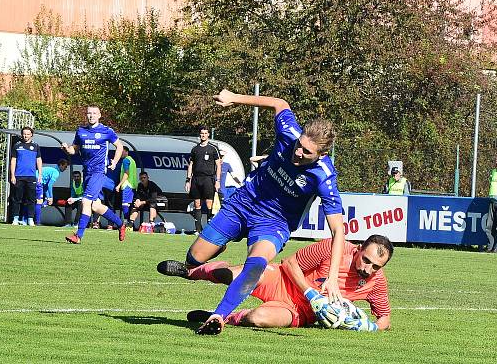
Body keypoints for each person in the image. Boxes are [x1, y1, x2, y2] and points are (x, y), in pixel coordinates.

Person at [158, 89, 347, 335]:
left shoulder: (324, 177)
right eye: (299, 145)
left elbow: (338, 230)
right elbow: (280, 102)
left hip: (274, 222)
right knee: (195, 257)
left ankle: (220, 315)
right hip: (243, 203)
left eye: (306, 152)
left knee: (256, 264)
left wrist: (332, 278)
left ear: (322, 155)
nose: (298, 152)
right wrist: (234, 98)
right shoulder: (289, 133)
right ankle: (207, 258)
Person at [168, 235, 392, 331]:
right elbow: (290, 262)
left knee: (258, 319)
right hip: (282, 280)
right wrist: (311, 294)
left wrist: (371, 327)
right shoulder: (335, 248)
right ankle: (194, 272)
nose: (367, 269)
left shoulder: (377, 281)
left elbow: (385, 318)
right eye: (366, 260)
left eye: (376, 266)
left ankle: (223, 316)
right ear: (359, 248)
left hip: (298, 312)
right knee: (237, 275)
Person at [61, 105, 127, 244]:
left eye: (94, 113)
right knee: (95, 206)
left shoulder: (106, 131)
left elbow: (119, 146)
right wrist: (68, 149)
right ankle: (121, 224)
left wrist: (114, 162)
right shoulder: (81, 131)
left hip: (99, 171)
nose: (91, 115)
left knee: (86, 201)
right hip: (87, 172)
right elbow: (75, 150)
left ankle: (78, 236)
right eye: (89, 113)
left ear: (99, 115)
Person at [185, 126, 221, 233]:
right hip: (196, 179)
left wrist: (218, 181)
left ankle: (209, 228)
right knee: (197, 203)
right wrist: (188, 180)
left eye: (205, 133)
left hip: (208, 179)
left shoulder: (213, 148)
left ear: (208, 134)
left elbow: (218, 165)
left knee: (209, 203)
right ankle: (198, 228)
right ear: (199, 135)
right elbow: (190, 164)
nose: (203, 135)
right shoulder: (195, 149)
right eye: (202, 133)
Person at [9, 126, 42, 226]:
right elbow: (13, 161)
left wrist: (40, 174)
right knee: (17, 198)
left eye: (28, 134)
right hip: (19, 176)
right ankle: (15, 218)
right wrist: (12, 175)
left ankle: (30, 219)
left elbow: (39, 160)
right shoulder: (17, 146)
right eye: (24, 134)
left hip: (31, 176)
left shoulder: (35, 146)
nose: (25, 136)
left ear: (31, 135)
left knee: (31, 199)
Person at [34, 159, 69, 226]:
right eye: (65, 166)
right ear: (61, 165)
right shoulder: (56, 172)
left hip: (36, 181)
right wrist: (51, 197)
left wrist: (48, 197)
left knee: (36, 201)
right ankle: (37, 222)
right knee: (39, 201)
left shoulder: (53, 170)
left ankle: (28, 218)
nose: (65, 168)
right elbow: (50, 185)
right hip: (38, 181)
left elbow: (46, 186)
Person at [116, 148, 138, 220]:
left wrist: (119, 185)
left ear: (126, 152)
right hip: (133, 185)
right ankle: (129, 223)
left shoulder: (125, 160)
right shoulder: (132, 160)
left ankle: (126, 222)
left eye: (121, 152)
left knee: (125, 204)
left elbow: (126, 173)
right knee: (130, 205)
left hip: (127, 185)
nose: (120, 153)